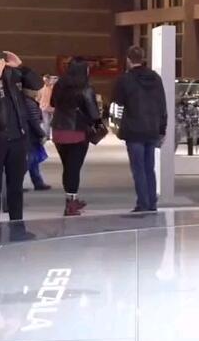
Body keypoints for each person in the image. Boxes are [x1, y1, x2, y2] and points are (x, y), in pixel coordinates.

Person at [113, 46, 167, 212]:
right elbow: (162, 104)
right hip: (152, 128)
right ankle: (152, 203)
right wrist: (162, 129)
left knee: (138, 169)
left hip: (134, 129)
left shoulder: (125, 79)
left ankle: (143, 203)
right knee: (149, 168)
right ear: (143, 58)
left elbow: (118, 101)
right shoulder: (155, 78)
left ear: (128, 60)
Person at [51, 58, 101, 216]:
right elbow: (94, 114)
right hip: (77, 132)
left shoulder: (59, 85)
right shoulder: (85, 88)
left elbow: (53, 103)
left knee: (67, 167)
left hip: (59, 130)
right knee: (73, 168)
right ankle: (71, 204)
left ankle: (71, 200)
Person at [0, 51, 44, 225]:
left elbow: (37, 85)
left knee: (16, 186)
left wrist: (21, 67)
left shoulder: (12, 74)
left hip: (17, 137)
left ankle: (17, 225)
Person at [22, 88, 50, 191]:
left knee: (33, 160)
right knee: (30, 160)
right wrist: (42, 134)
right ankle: (17, 183)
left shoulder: (24, 101)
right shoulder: (29, 103)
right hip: (30, 136)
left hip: (27, 135)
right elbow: (34, 121)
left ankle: (38, 182)